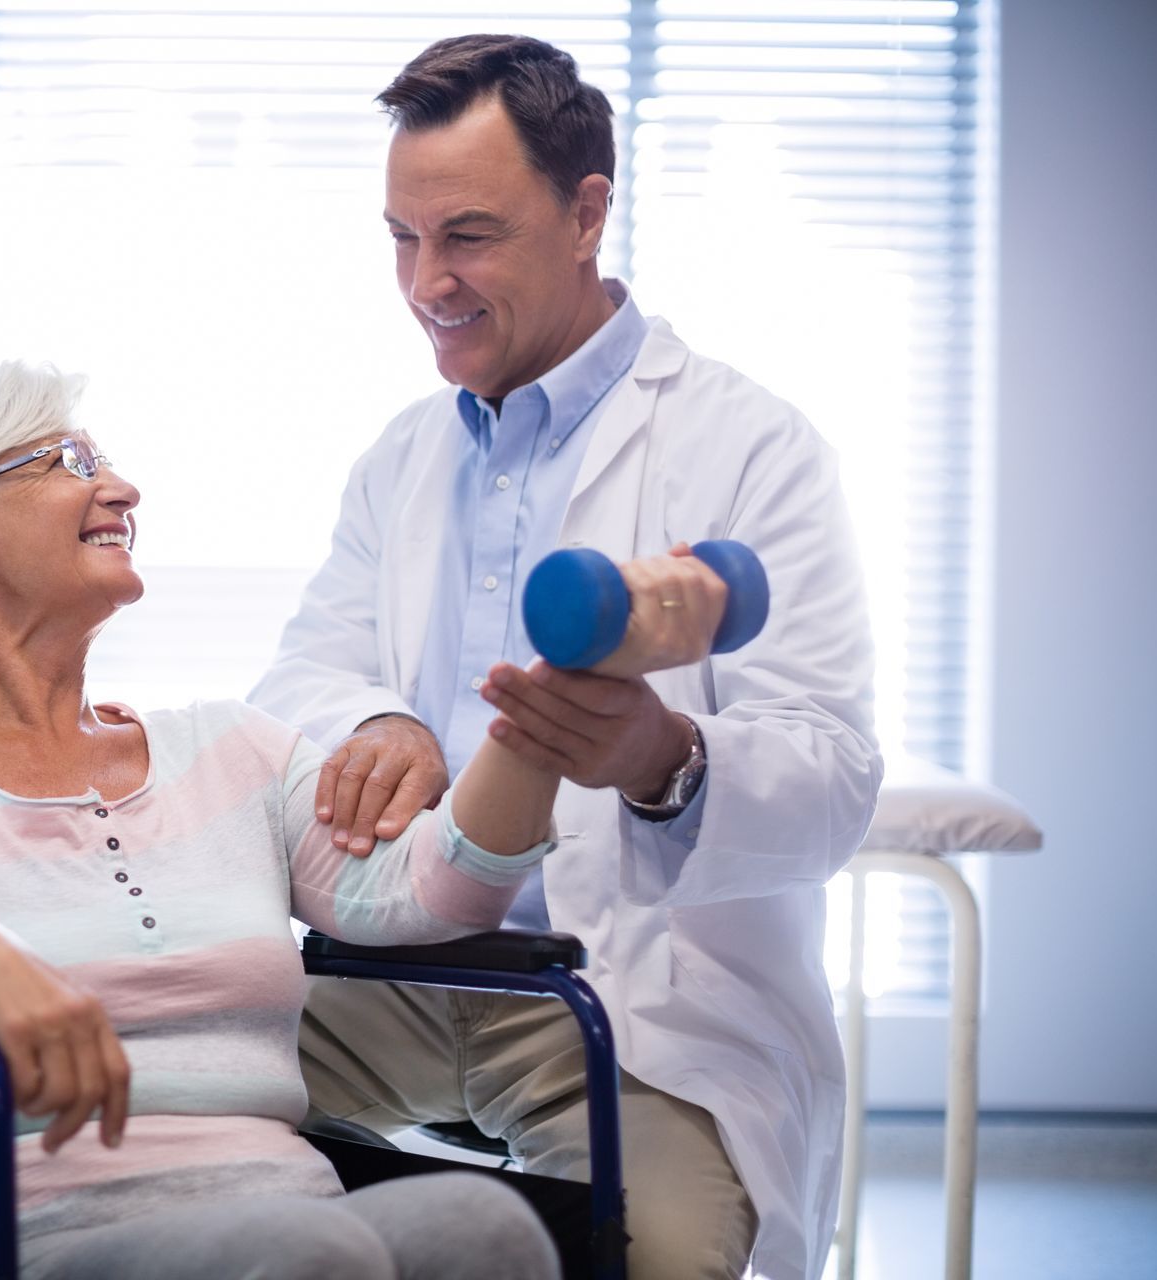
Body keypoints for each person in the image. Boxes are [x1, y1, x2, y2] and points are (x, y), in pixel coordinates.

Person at [0, 362, 713, 1279]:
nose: (122, 485)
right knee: (314, 1258)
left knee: (483, 1224)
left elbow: (432, 890)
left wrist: (545, 704)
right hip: (26, 1241)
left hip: (283, 1214)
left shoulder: (229, 751)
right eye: (69, 460)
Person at [247, 34, 883, 1280]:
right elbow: (299, 679)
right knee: (158, 1160)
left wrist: (668, 757)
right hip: (395, 974)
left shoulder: (754, 448)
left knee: (661, 1258)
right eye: (400, 237)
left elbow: (834, 776)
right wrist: (381, 721)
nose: (426, 281)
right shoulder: (403, 456)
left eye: (468, 235)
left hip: (630, 1009)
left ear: (588, 212)